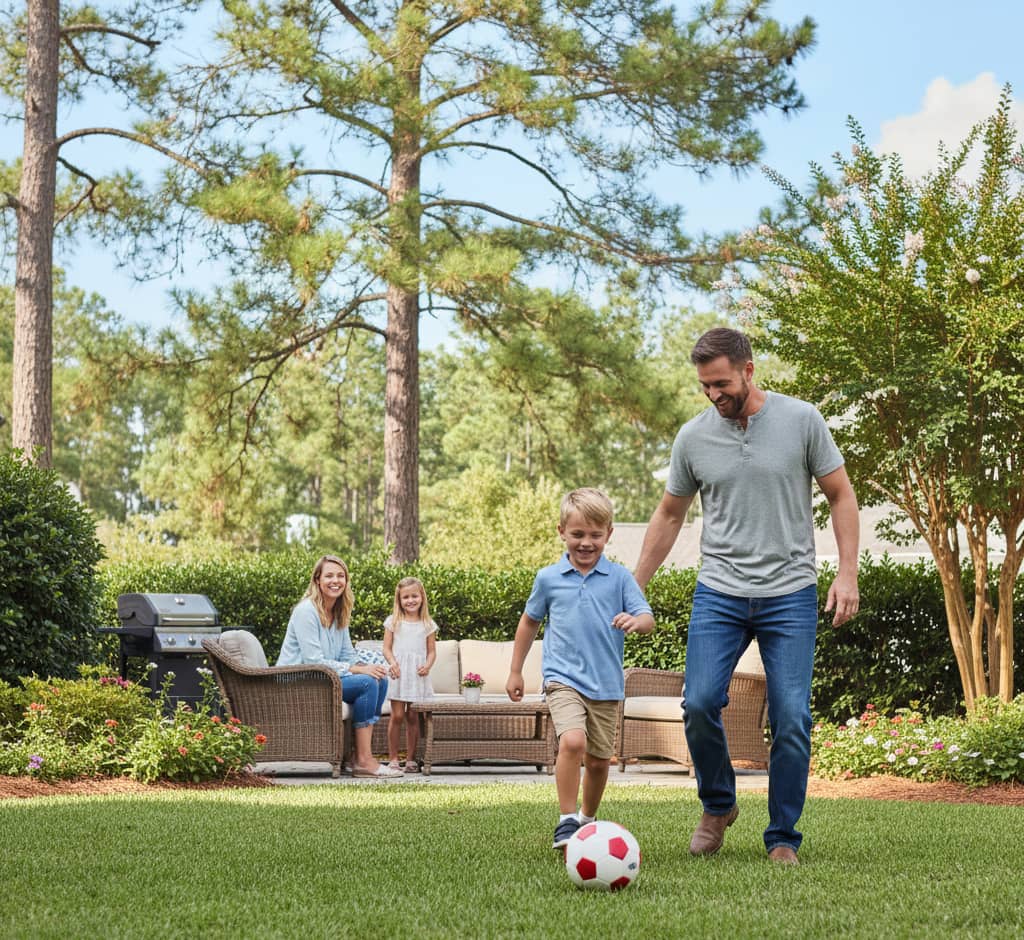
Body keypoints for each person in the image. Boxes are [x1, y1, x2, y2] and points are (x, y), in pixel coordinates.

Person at [634, 327, 860, 865]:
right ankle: (718, 805)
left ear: (748, 370)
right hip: (720, 591)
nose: (714, 394)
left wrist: (847, 573)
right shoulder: (693, 437)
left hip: (790, 592)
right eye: (705, 386)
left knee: (791, 716)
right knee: (699, 702)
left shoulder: (801, 420)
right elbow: (670, 514)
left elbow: (840, 495)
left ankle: (782, 835)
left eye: (722, 383)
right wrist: (634, 585)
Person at [506, 487, 655, 850]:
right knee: (573, 741)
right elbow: (529, 622)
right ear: (561, 531)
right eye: (577, 534)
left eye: (595, 535)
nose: (586, 543)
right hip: (563, 678)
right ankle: (566, 820)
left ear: (609, 534)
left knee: (600, 761)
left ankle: (587, 820)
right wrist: (515, 670)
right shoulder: (548, 578)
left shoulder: (620, 578)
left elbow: (647, 618)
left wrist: (636, 622)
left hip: (605, 684)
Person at [277, 554, 403, 778]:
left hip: (324, 678)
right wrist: (359, 670)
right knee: (366, 683)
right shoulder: (306, 611)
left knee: (379, 679)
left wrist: (369, 667)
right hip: (299, 680)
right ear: (317, 580)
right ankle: (365, 761)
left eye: (340, 576)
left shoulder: (339, 611)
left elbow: (347, 654)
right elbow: (313, 661)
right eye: (329, 576)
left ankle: (357, 757)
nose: (335, 581)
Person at [382, 577, 437, 773]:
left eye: (414, 596)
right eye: (405, 597)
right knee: (397, 715)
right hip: (399, 673)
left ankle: (411, 759)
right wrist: (392, 663)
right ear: (399, 600)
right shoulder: (393, 622)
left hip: (417, 675)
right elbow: (386, 648)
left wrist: (427, 666)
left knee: (413, 717)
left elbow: (432, 652)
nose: (410, 600)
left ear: (422, 597)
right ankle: (393, 758)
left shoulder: (428, 624)